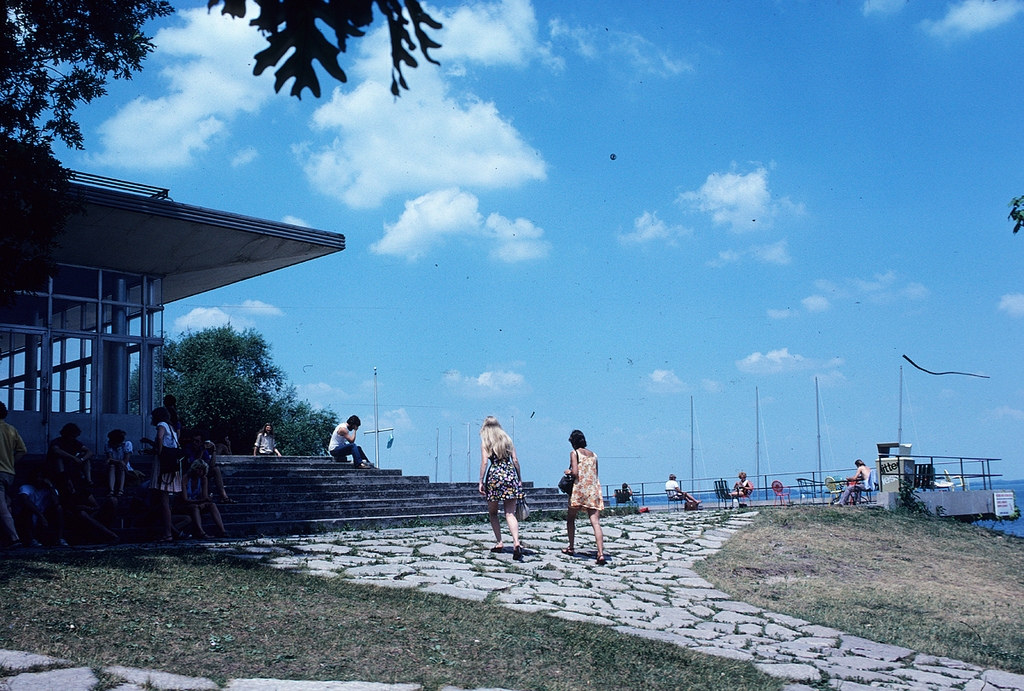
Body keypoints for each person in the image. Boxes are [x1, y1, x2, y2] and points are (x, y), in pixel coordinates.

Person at [478, 416, 524, 560]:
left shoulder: (486, 442)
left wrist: (480, 481)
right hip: (509, 474)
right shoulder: (507, 440)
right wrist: (519, 478)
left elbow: (485, 462)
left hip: (495, 476)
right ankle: (516, 541)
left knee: (493, 513)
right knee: (510, 513)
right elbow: (515, 460)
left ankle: (499, 542)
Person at [563, 430, 606, 565]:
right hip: (593, 490)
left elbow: (575, 472)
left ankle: (571, 547)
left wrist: (568, 471)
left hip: (579, 490)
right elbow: (595, 473)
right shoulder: (594, 455)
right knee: (595, 523)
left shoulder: (574, 453)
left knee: (571, 519)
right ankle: (600, 553)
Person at [150, 406, 182, 542]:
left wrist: (160, 451)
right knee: (164, 501)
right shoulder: (172, 428)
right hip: (171, 463)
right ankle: (168, 532)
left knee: (163, 500)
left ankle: (168, 533)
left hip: (163, 464)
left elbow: (160, 437)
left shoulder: (162, 425)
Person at [0, 402, 27, 549]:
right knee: (6, 503)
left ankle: (14, 538)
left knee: (2, 507)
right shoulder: (11, 430)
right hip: (8, 472)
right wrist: (11, 463)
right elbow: (22, 450)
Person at [178, 459, 228, 538]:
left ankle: (222, 530)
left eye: (202, 469)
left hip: (196, 502)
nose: (200, 471)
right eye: (198, 469)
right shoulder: (186, 478)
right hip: (184, 505)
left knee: (212, 505)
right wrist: (201, 501)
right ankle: (201, 532)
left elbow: (204, 496)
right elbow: (185, 499)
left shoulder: (203, 479)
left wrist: (204, 502)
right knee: (195, 507)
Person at [186, 431, 234, 503]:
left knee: (216, 469)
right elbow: (195, 465)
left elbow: (211, 464)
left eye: (197, 441)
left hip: (202, 473)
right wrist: (201, 451)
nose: (194, 443)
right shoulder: (188, 449)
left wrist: (214, 450)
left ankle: (224, 496)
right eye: (193, 441)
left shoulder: (203, 449)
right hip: (192, 474)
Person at [47, 423, 94, 489]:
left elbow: (89, 452)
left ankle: (89, 480)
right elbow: (56, 451)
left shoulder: (75, 442)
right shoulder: (57, 441)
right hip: (55, 467)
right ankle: (62, 479)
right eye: (72, 436)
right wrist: (73, 457)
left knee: (85, 457)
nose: (73, 438)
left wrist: (82, 459)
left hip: (70, 465)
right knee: (59, 457)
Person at [105, 429, 133, 497]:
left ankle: (121, 490)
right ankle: (111, 490)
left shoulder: (127, 444)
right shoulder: (108, 445)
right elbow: (110, 459)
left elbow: (125, 462)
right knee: (112, 466)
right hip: (113, 467)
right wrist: (119, 461)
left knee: (121, 466)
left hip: (125, 468)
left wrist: (118, 461)